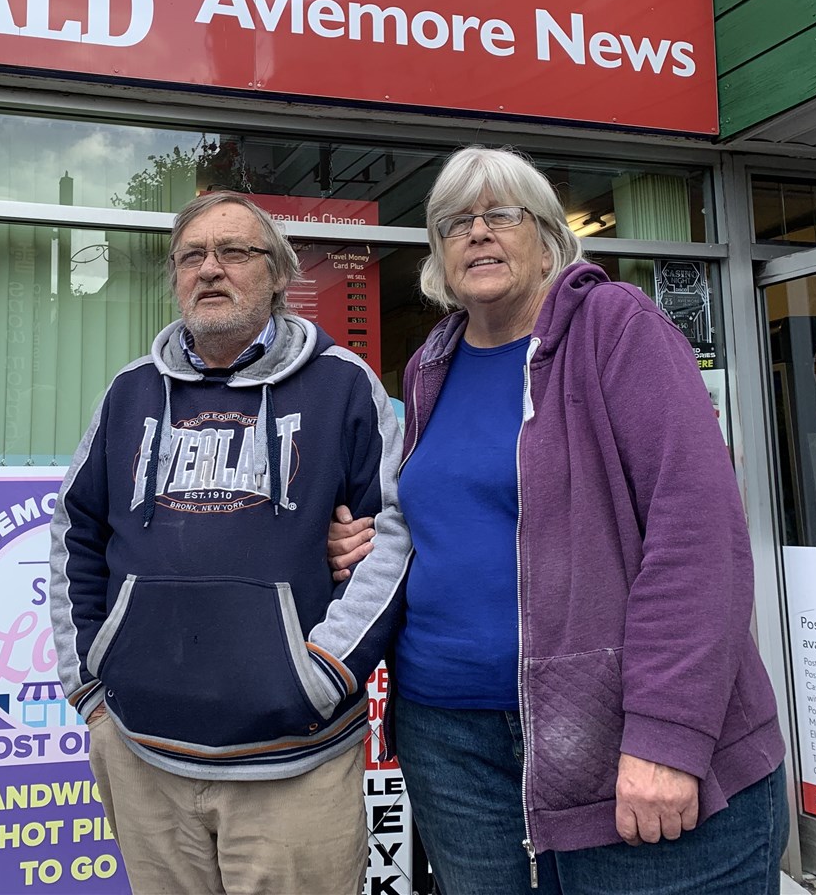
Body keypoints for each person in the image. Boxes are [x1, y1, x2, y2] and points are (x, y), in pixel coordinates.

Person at [329, 147, 786, 894]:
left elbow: (698, 536)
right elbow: (454, 518)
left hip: (618, 733)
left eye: (499, 215)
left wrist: (669, 736)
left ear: (547, 241)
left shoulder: (614, 327)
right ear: (437, 255)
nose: (476, 234)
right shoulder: (430, 365)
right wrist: (376, 538)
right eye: (453, 223)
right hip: (450, 739)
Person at [50, 190, 412, 895]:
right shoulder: (129, 393)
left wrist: (325, 673)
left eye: (235, 252)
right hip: (143, 757)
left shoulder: (342, 387)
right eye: (192, 256)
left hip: (292, 766)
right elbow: (77, 529)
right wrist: (87, 678)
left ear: (278, 275)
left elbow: (393, 532)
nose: (210, 269)